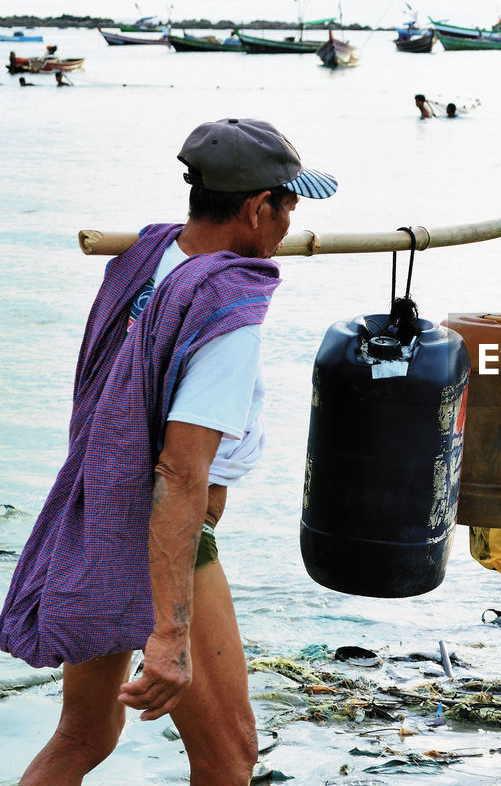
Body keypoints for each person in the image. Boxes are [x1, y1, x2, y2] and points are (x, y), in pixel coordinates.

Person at [0, 118, 336, 784]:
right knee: (229, 754)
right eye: (287, 202)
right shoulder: (225, 306)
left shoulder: (152, 256)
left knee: (85, 733)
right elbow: (181, 472)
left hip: (103, 514)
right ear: (253, 207)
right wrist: (170, 633)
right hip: (167, 539)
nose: (292, 218)